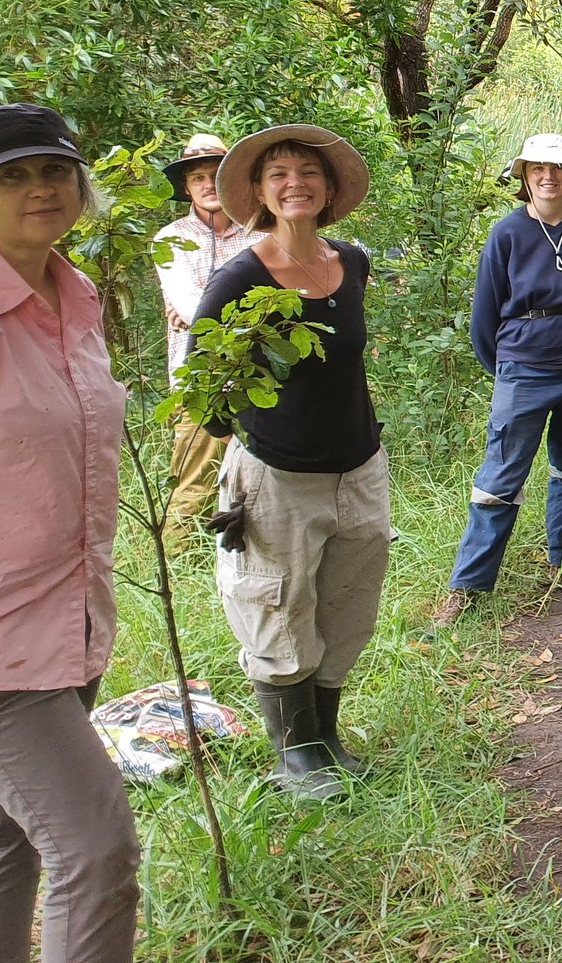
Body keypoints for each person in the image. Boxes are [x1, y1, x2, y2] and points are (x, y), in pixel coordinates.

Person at [0, 103, 141, 963]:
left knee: (5, 844)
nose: (39, 188)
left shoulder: (73, 294)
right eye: (10, 176)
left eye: (54, 171)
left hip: (66, 619)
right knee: (97, 850)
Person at [194, 124, 388, 799]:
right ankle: (296, 756)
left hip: (359, 466)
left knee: (346, 601)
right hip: (277, 474)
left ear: (329, 189)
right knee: (276, 603)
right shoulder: (240, 278)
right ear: (258, 191)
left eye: (308, 172)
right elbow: (203, 383)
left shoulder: (352, 263)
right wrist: (252, 438)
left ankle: (326, 738)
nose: (294, 183)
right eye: (278, 173)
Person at [434, 134, 562, 629]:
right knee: (500, 476)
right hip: (524, 371)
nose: (548, 175)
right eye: (538, 167)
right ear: (524, 175)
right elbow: (485, 317)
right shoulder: (507, 233)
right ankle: (468, 587)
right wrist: (511, 366)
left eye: (558, 167)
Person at [153, 133, 256, 535]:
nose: (208, 185)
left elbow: (290, 296)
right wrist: (242, 314)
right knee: (194, 485)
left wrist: (204, 314)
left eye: (216, 175)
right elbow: (189, 306)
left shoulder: (264, 232)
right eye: (198, 177)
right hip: (199, 380)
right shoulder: (171, 239)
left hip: (260, 377)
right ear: (186, 186)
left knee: (263, 480)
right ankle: (174, 560)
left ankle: (242, 555)